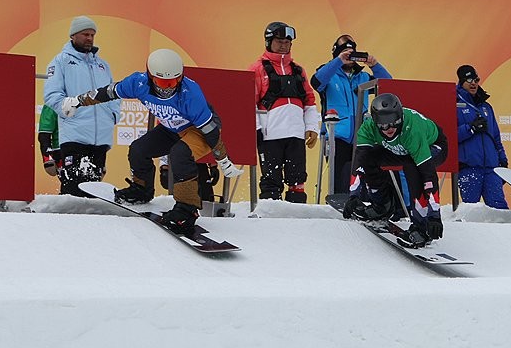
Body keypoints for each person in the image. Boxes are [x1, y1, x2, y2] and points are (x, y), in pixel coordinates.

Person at [60, 48, 243, 232]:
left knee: (179, 154)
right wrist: (78, 100)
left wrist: (223, 160)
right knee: (139, 149)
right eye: (162, 82)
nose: (168, 87)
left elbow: (210, 131)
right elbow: (107, 92)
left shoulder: (190, 93)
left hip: (198, 130)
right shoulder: (137, 83)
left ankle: (187, 210)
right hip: (172, 127)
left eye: (173, 81)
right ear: (150, 76)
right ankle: (142, 190)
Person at [343, 93, 447, 247]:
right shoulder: (368, 128)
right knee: (368, 157)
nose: (389, 128)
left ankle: (421, 227)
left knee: (413, 168)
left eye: (394, 123)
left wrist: (434, 216)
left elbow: (428, 176)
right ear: (375, 122)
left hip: (434, 146)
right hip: (401, 150)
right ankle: (381, 204)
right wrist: (353, 196)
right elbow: (359, 163)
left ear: (400, 118)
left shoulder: (412, 130)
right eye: (383, 125)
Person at [43, 16, 118, 196]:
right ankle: (67, 223)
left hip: (101, 138)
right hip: (74, 135)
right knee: (73, 189)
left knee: (94, 191)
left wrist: (113, 115)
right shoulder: (60, 61)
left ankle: (90, 224)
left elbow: (114, 93)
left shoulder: (102, 65)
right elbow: (51, 94)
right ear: (73, 35)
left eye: (92, 34)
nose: (90, 38)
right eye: (85, 34)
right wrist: (67, 109)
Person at [310, 33, 391, 194]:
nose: (350, 56)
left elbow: (388, 85)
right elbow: (317, 82)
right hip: (336, 136)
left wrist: (374, 65)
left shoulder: (363, 76)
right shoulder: (327, 73)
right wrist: (338, 61)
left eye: (352, 52)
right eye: (345, 53)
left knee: (364, 177)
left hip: (362, 135)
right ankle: (340, 211)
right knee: (340, 179)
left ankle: (363, 207)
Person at [250, 21, 320, 203]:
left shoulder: (298, 70)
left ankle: (297, 218)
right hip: (270, 134)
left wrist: (312, 127)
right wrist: (256, 129)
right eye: (279, 41)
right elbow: (249, 103)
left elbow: (309, 101)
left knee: (297, 179)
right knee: (271, 180)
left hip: (296, 134)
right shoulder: (257, 69)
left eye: (287, 42)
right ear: (269, 42)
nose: (283, 45)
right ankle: (270, 219)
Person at [455, 64, 508, 209]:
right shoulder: (453, 104)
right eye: (469, 80)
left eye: (476, 80)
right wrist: (470, 128)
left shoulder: (486, 106)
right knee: (471, 210)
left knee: (500, 209)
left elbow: (496, 136)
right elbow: (449, 136)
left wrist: (502, 159)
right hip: (469, 167)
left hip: (491, 167)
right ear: (461, 82)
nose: (473, 83)